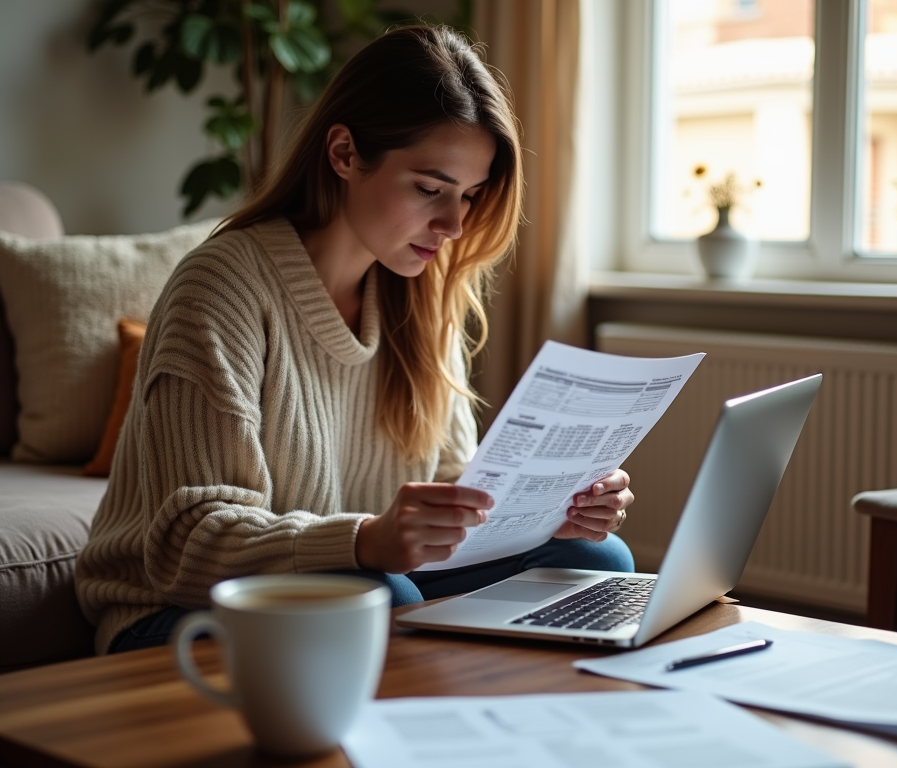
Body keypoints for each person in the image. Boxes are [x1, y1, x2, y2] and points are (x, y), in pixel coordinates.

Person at [74, 24, 635, 655]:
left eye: (471, 197)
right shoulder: (224, 286)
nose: (453, 225)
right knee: (379, 598)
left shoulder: (420, 292)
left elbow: (451, 483)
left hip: (368, 581)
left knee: (596, 554)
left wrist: (552, 507)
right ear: (344, 154)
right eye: (430, 189)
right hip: (173, 612)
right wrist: (365, 541)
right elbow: (186, 547)